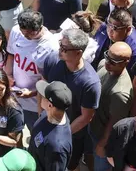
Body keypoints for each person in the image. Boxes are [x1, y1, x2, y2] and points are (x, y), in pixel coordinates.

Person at [43, 28, 101, 170]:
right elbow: (43, 87)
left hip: (70, 136)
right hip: (47, 124)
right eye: (60, 45)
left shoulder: (90, 83)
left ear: (78, 52)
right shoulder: (53, 60)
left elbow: (86, 117)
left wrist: (62, 132)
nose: (60, 50)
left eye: (64, 48)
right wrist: (42, 115)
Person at [89, 41, 134, 171]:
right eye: (107, 56)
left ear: (126, 62)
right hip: (92, 127)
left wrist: (102, 145)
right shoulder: (104, 65)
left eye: (113, 61)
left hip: (102, 136)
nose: (108, 62)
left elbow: (114, 123)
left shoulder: (120, 93)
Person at [29, 80, 73, 171]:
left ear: (50, 105)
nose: (40, 95)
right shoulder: (48, 114)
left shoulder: (56, 148)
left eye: (43, 95)